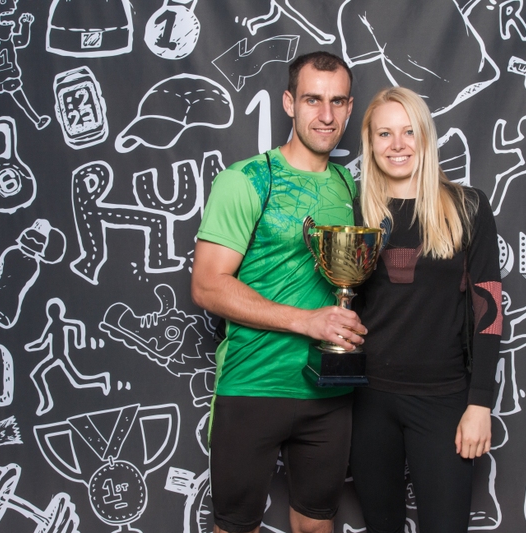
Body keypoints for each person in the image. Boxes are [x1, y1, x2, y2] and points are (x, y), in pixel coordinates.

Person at [190, 51, 363, 533]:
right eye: (312, 100)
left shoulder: (346, 185)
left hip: (328, 391)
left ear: (349, 108)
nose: (325, 115)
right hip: (253, 386)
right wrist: (306, 321)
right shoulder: (247, 179)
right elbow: (206, 285)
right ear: (289, 103)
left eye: (337, 101)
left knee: (316, 525)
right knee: (235, 527)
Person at [350, 87, 503, 533]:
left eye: (409, 132)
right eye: (384, 133)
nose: (397, 145)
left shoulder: (468, 207)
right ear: (370, 142)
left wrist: (480, 403)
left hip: (445, 400)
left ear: (426, 137)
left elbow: (489, 310)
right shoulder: (355, 211)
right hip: (369, 400)